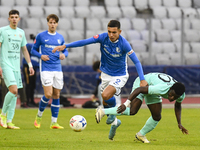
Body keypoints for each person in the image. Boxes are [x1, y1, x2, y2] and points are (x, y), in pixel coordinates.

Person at [52, 20, 147, 139]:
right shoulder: (103, 38)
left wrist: (142, 79)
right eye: (109, 32)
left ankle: (111, 116)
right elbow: (85, 42)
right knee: (105, 100)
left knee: (105, 95)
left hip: (120, 75)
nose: (111, 35)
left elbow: (137, 61)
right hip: (106, 74)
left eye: (114, 32)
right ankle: (115, 121)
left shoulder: (124, 44)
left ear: (119, 31)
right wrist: (65, 46)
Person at [95, 72, 189, 143]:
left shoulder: (181, 95)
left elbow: (177, 106)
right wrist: (126, 103)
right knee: (132, 111)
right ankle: (102, 111)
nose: (171, 98)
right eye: (171, 94)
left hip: (152, 87)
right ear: (170, 89)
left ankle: (141, 135)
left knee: (157, 116)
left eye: (175, 97)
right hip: (142, 83)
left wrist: (179, 123)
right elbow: (139, 89)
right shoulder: (161, 88)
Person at [31, 14, 68, 129]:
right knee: (48, 94)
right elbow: (33, 50)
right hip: (46, 69)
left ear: (57, 24)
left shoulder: (60, 37)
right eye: (50, 22)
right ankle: (39, 116)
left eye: (54, 23)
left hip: (57, 69)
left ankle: (54, 122)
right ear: (47, 23)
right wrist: (41, 56)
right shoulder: (41, 36)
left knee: (56, 94)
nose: (52, 24)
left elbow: (65, 51)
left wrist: (63, 55)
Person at [0, 9, 34, 129]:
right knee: (13, 90)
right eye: (12, 17)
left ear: (19, 19)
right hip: (6, 65)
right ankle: (2, 114)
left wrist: (30, 65)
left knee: (15, 94)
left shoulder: (21, 32)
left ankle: (9, 121)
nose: (14, 19)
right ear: (9, 18)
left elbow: (24, 50)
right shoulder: (2, 31)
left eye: (16, 17)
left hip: (16, 67)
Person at [22, 43, 39, 107]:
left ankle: (31, 100)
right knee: (28, 84)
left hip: (34, 68)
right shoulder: (30, 46)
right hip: (27, 66)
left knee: (32, 85)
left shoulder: (40, 49)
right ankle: (27, 101)